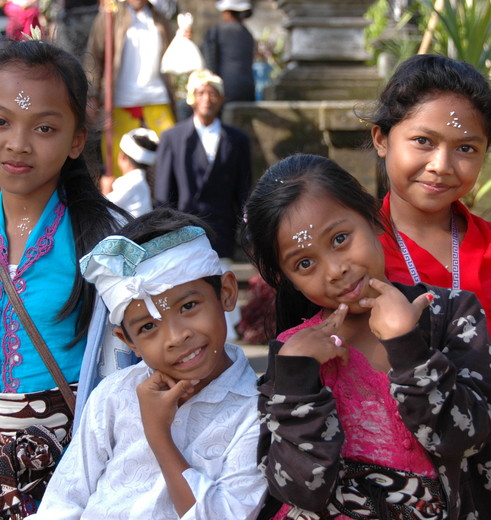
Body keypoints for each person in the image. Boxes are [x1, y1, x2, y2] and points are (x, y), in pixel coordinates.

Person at [242, 153, 491, 520]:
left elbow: (465, 439)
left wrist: (408, 348)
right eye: (304, 263)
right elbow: (297, 489)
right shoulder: (294, 351)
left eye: (341, 238)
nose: (336, 270)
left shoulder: (450, 314)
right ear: (286, 278)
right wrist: (296, 378)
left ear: (374, 218)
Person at [28, 207, 267, 519]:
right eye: (148, 327)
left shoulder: (257, 412)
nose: (176, 337)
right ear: (129, 342)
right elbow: (62, 504)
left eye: (189, 305)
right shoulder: (112, 397)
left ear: (226, 292)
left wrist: (158, 435)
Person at [0, 39, 129, 518]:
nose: (18, 142)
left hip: (69, 463)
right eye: (2, 121)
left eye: (45, 127)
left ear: (77, 139)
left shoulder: (107, 242)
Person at [361, 54, 491, 332]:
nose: (441, 166)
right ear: (381, 140)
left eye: (466, 148)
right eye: (423, 141)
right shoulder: (357, 252)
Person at [154, 69, 251, 340]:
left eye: (212, 93)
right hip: (184, 225)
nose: (206, 98)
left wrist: (243, 225)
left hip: (222, 224)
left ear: (222, 99)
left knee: (221, 279)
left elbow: (243, 187)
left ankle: (228, 333)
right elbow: (163, 189)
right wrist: (166, 228)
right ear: (191, 99)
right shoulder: (173, 138)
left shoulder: (237, 139)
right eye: (200, 93)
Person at [83, 0, 176, 178]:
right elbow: (93, 56)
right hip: (120, 100)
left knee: (167, 164)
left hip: (157, 99)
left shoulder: (160, 19)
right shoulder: (110, 16)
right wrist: (92, 94)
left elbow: (174, 54)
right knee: (119, 168)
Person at [201, 0, 255, 103]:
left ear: (227, 13)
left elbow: (209, 61)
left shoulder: (217, 31)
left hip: (224, 92)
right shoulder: (248, 34)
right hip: (248, 92)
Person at [101, 127, 157, 217]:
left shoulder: (133, 183)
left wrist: (105, 189)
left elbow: (103, 209)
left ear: (123, 157)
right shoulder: (138, 181)